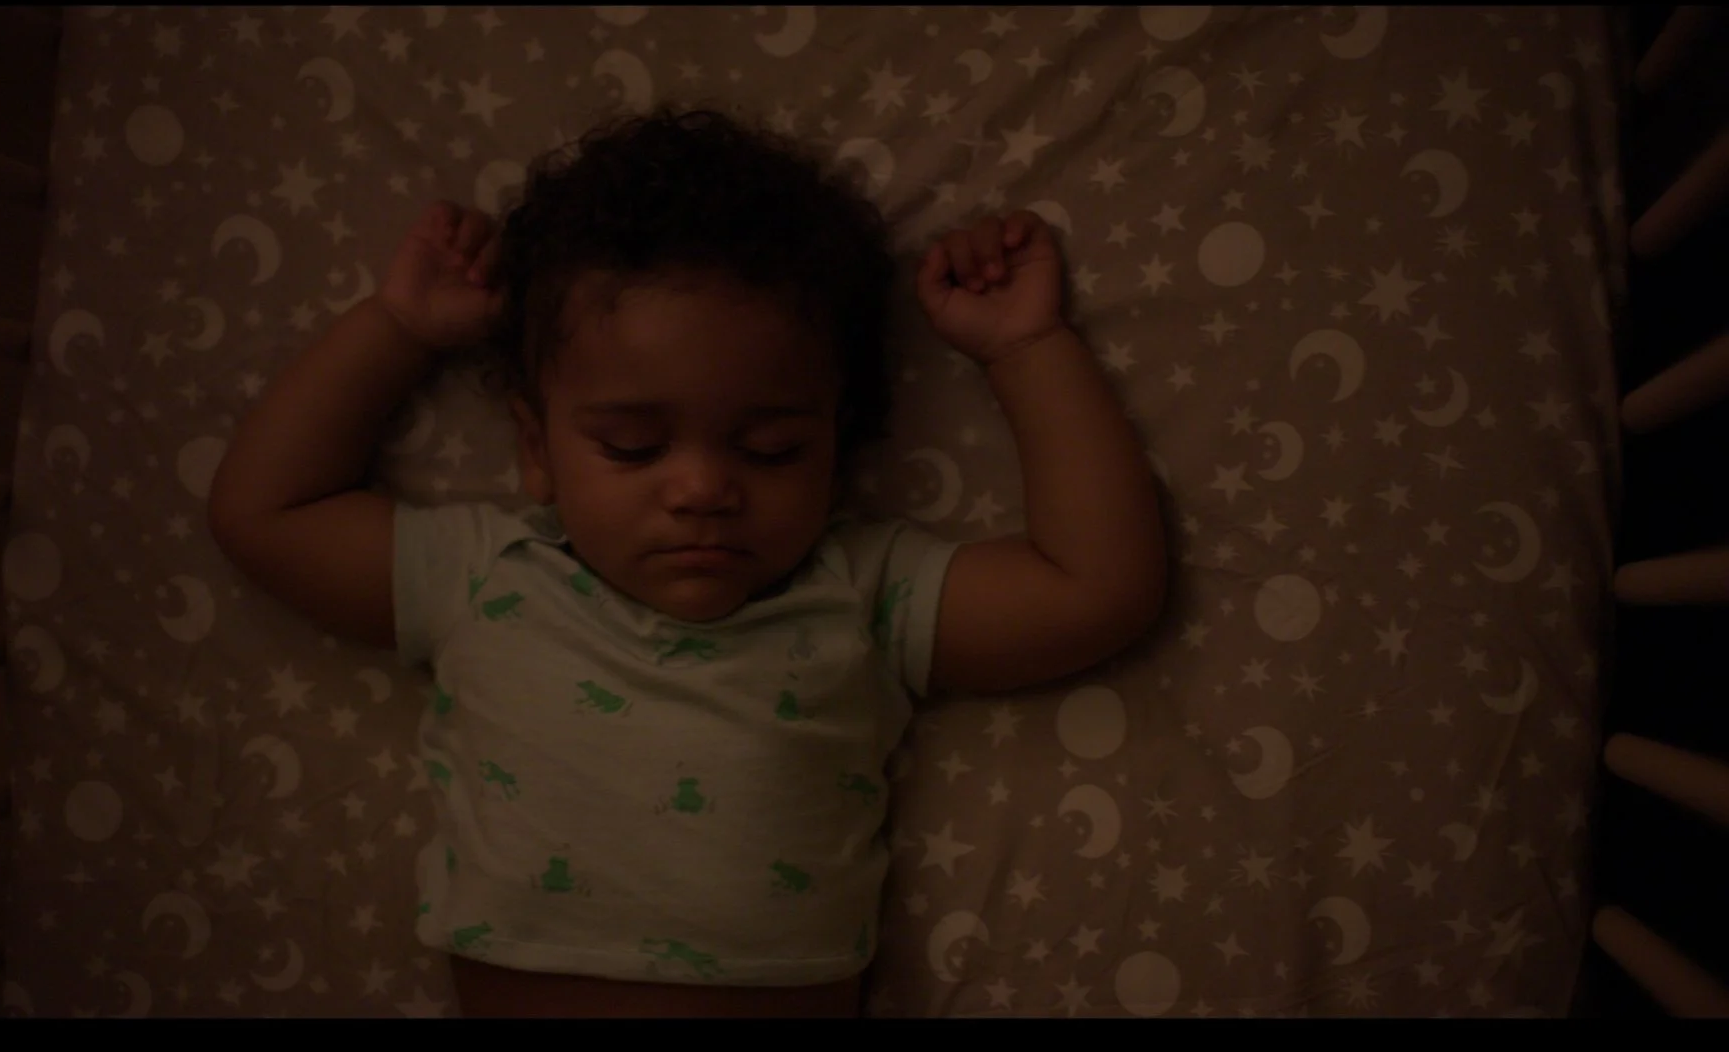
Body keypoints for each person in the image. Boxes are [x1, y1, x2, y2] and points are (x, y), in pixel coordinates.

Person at [208, 106, 1166, 1017]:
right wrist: (399, 329)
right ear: (535, 449)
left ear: (839, 448)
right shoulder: (487, 576)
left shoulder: (860, 591)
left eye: (770, 449)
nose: (703, 488)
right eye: (631, 446)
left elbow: (1097, 591)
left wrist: (1027, 349)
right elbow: (263, 513)